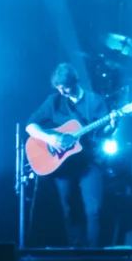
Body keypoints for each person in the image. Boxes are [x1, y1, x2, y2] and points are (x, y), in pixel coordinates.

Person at [26, 61, 109, 247]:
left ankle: (95, 256)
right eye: (59, 88)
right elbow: (30, 125)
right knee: (69, 210)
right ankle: (76, 251)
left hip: (89, 162)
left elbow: (103, 132)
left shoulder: (95, 101)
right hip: (63, 165)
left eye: (65, 88)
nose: (62, 92)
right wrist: (50, 139)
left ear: (75, 82)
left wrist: (111, 125)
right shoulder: (53, 101)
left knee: (94, 210)